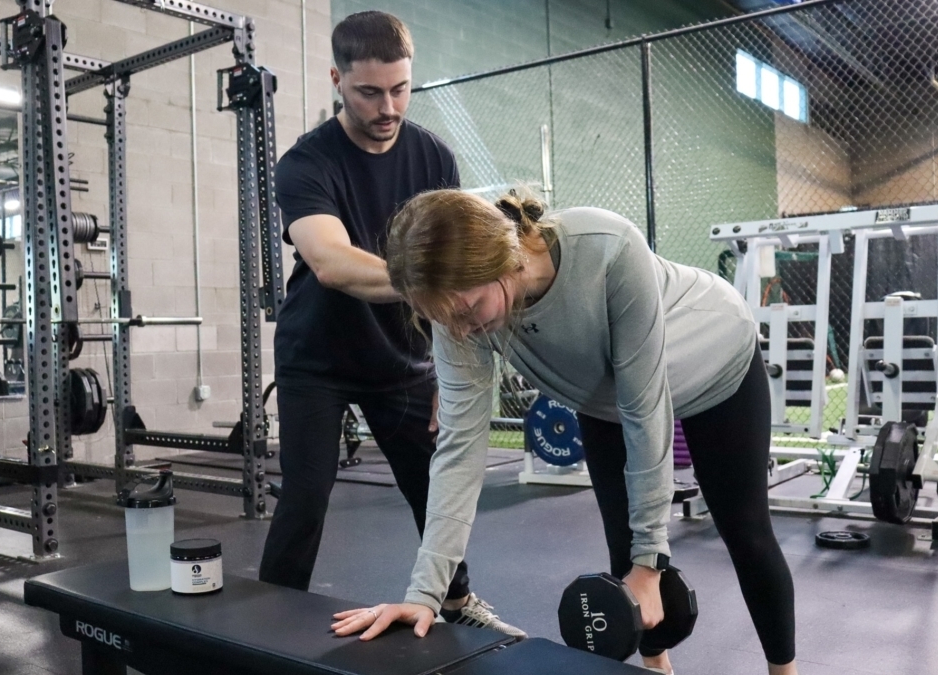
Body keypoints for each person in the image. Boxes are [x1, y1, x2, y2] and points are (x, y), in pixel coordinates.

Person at [332, 189, 800, 675]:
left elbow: (646, 410)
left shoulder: (607, 245)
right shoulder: (458, 314)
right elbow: (458, 451)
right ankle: (654, 668)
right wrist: (424, 595)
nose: (462, 330)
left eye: (469, 311)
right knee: (623, 546)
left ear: (506, 261)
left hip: (715, 357)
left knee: (744, 532)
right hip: (603, 395)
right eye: (443, 319)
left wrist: (651, 562)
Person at [261, 11, 525, 638]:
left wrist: (446, 363)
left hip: (402, 360)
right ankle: (261, 625)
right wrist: (436, 286)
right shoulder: (306, 163)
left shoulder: (433, 155)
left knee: (431, 490)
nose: (388, 106)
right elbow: (329, 261)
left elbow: (457, 257)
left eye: (401, 89)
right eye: (370, 92)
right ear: (337, 80)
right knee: (303, 500)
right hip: (316, 359)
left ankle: (455, 600)